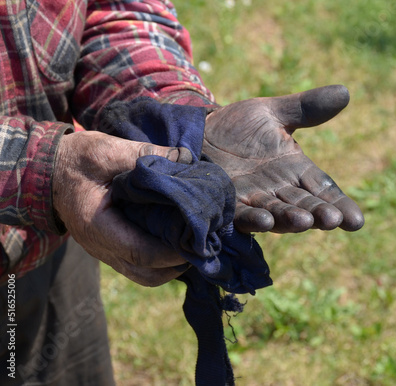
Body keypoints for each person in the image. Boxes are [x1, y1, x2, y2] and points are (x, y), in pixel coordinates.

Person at [0, 0, 364, 384]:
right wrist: (42, 169)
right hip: (54, 197)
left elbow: (118, 13)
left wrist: (173, 116)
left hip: (43, 244)